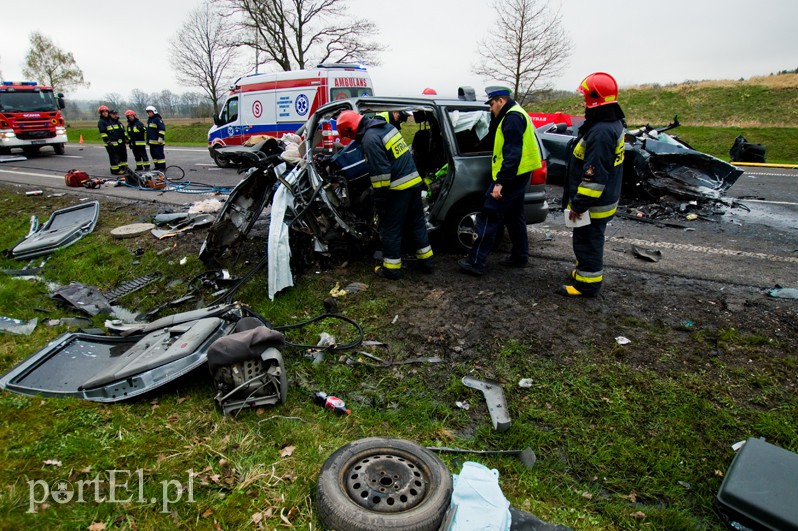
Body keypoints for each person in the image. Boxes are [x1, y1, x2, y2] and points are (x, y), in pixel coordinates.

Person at [336, 110, 433, 280]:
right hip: (414, 182)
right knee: (416, 224)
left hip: (398, 188)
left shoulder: (369, 139)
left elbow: (381, 174)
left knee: (391, 228)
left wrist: (380, 199)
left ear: (351, 129)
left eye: (349, 136)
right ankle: (426, 263)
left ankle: (392, 269)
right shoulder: (386, 127)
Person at [458, 86, 542, 276]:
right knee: (514, 217)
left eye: (492, 104)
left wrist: (500, 183)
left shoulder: (512, 118)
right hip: (519, 175)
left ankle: (475, 262)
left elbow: (512, 154)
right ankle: (520, 256)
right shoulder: (515, 113)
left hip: (511, 177)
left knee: (488, 215)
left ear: (501, 101)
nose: (490, 109)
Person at [560, 72, 625, 298]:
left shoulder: (601, 132)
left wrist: (578, 205)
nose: (582, 101)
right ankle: (583, 272)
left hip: (593, 204)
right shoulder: (609, 123)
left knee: (588, 241)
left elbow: (594, 177)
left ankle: (587, 285)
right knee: (586, 239)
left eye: (585, 97)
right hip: (601, 200)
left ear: (594, 99)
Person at [97, 105, 122, 175]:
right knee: (113, 157)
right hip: (109, 143)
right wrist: (108, 141)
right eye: (103, 112)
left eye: (106, 112)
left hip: (115, 142)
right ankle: (115, 170)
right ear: (101, 113)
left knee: (117, 156)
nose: (105, 113)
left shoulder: (109, 121)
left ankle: (117, 169)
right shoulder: (101, 122)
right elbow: (103, 133)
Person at [145, 105, 166, 170]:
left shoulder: (157, 119)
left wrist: (160, 137)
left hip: (158, 142)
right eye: (148, 112)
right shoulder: (149, 120)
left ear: (154, 112)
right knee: (154, 155)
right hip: (152, 142)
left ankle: (162, 167)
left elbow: (162, 129)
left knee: (159, 155)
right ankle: (157, 166)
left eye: (150, 112)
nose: (149, 113)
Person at [107, 110, 128, 174]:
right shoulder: (109, 123)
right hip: (115, 143)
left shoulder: (119, 122)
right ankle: (116, 170)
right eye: (113, 114)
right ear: (110, 114)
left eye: (116, 114)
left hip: (122, 143)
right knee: (116, 157)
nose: (115, 115)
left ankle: (124, 168)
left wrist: (126, 138)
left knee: (123, 156)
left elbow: (123, 131)